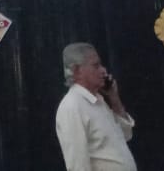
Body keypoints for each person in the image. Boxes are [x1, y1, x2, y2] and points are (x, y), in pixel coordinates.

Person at [55, 42, 138, 171]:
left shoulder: (98, 101)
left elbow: (126, 134)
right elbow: (78, 165)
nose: (103, 70)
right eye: (96, 66)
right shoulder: (72, 107)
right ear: (77, 71)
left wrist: (114, 98)